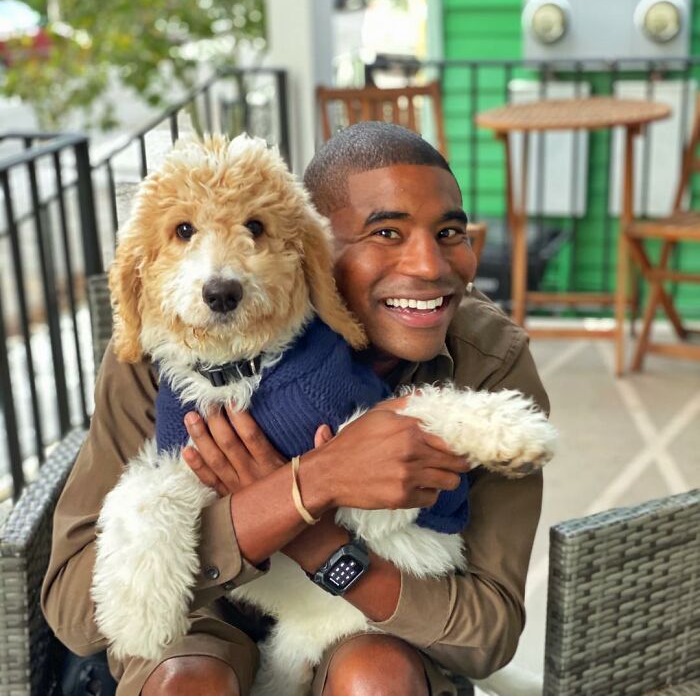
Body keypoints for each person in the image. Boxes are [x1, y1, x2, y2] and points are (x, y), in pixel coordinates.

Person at [41, 122, 548, 696]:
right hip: (203, 620)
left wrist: (318, 543)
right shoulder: (169, 342)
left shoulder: (490, 361)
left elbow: (486, 635)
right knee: (188, 682)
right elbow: (75, 614)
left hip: (368, 623)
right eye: (386, 232)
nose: (431, 266)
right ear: (319, 248)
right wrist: (301, 490)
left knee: (374, 680)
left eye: (450, 231)